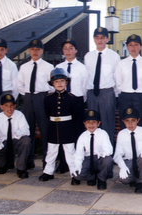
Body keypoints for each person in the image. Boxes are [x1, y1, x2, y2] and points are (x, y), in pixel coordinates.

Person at [39, 68, 82, 181]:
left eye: (62, 81)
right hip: (53, 127)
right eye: (56, 81)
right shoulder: (48, 99)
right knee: (51, 151)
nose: (59, 84)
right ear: (52, 84)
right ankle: (48, 172)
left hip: (67, 127)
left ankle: (74, 173)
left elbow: (76, 115)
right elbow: (47, 113)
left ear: (66, 82)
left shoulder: (72, 98)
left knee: (70, 152)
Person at [17, 39, 54, 169]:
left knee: (45, 131)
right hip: (28, 99)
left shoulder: (48, 67)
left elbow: (53, 86)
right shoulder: (24, 67)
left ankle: (46, 162)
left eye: (38, 49)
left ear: (42, 51)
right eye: (33, 49)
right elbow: (19, 85)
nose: (35, 52)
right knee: (28, 130)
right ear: (29, 51)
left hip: (42, 98)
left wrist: (43, 94)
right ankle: (28, 160)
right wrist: (28, 95)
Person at [55, 38, 87, 173]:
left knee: (77, 133)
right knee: (63, 132)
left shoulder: (82, 68)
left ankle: (77, 163)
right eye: (65, 48)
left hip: (77, 102)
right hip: (62, 101)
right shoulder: (58, 68)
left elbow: (85, 88)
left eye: (71, 48)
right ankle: (63, 163)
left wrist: (77, 100)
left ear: (76, 50)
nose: (68, 51)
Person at [84, 27, 120, 145]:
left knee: (108, 123)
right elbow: (86, 76)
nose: (100, 40)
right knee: (92, 124)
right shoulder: (88, 56)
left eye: (103, 37)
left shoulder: (114, 56)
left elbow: (117, 77)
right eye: (97, 37)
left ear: (107, 39)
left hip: (107, 93)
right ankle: (94, 151)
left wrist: (113, 95)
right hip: (92, 93)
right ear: (94, 39)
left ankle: (107, 154)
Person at [0, 94, 31, 179]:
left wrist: (19, 133)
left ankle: (21, 169)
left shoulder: (19, 115)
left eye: (11, 106)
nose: (9, 109)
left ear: (15, 106)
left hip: (16, 141)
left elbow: (26, 130)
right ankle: (2, 164)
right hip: (3, 143)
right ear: (1, 107)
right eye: (6, 106)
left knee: (26, 141)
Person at [113, 107, 142, 193]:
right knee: (123, 179)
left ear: (138, 120)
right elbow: (117, 155)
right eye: (127, 121)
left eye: (133, 120)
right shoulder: (122, 134)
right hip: (129, 161)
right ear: (123, 121)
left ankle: (141, 182)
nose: (130, 123)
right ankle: (133, 178)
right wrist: (122, 166)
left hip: (141, 161)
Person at [115, 34, 142, 129]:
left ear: (141, 46)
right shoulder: (121, 64)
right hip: (126, 97)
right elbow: (118, 83)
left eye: (136, 44)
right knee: (126, 126)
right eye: (130, 45)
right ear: (127, 47)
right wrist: (125, 93)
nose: (133, 47)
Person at [72, 110, 113, 190]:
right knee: (78, 175)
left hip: (99, 157)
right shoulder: (82, 137)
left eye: (94, 122)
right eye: (88, 122)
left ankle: (101, 179)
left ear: (98, 123)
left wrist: (103, 152)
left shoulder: (103, 133)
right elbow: (79, 154)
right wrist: (77, 165)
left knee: (108, 160)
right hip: (88, 159)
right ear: (84, 123)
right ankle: (92, 177)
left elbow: (108, 148)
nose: (91, 124)